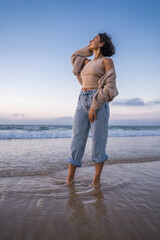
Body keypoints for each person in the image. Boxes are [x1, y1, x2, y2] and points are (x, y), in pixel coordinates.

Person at [66, 32, 119, 187]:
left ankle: (96, 181)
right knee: (77, 139)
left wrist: (95, 106)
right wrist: (91, 48)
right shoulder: (86, 62)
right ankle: (70, 179)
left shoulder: (106, 61)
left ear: (101, 43)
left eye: (94, 39)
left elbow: (110, 86)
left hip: (99, 101)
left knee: (98, 141)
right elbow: (75, 55)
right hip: (81, 100)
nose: (89, 40)